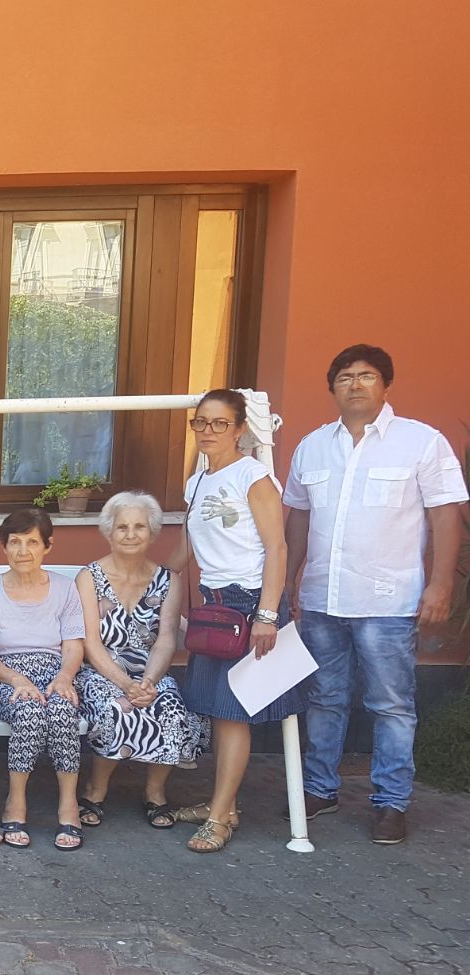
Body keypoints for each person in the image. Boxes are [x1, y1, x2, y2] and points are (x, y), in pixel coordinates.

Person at [284, 345, 467, 845]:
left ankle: (391, 803)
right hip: (322, 599)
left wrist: (441, 583)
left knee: (391, 705)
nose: (355, 384)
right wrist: (289, 579)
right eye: (345, 377)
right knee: (324, 698)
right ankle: (318, 789)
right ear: (333, 388)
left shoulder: (420, 442)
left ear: (385, 384)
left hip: (388, 601)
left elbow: (445, 515)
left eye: (367, 375)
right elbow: (298, 517)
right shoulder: (312, 446)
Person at [173, 388, 305, 853]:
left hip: (246, 601)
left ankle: (219, 819)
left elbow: (277, 548)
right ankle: (222, 806)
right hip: (213, 604)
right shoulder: (196, 482)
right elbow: (188, 545)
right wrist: (154, 577)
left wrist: (266, 615)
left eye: (220, 423)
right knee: (218, 710)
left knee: (233, 714)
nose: (208, 431)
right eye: (201, 422)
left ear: (240, 429)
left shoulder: (253, 475)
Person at [73, 491, 209, 828]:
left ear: (152, 532)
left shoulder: (169, 581)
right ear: (109, 532)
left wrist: (148, 681)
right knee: (116, 707)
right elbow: (90, 643)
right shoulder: (89, 578)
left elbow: (166, 639)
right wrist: (125, 684)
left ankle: (155, 792)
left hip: (151, 672)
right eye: (122, 527)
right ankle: (96, 789)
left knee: (172, 708)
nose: (130, 534)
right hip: (100, 672)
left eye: (139, 527)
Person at [0, 509, 87, 851]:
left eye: (32, 542)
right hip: (5, 674)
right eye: (14, 542)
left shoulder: (65, 589)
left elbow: (73, 644)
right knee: (28, 711)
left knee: (63, 710)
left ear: (47, 546)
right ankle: (16, 801)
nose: (23, 551)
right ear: (4, 547)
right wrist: (17, 680)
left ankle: (69, 804)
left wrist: (65, 677)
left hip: (55, 671)